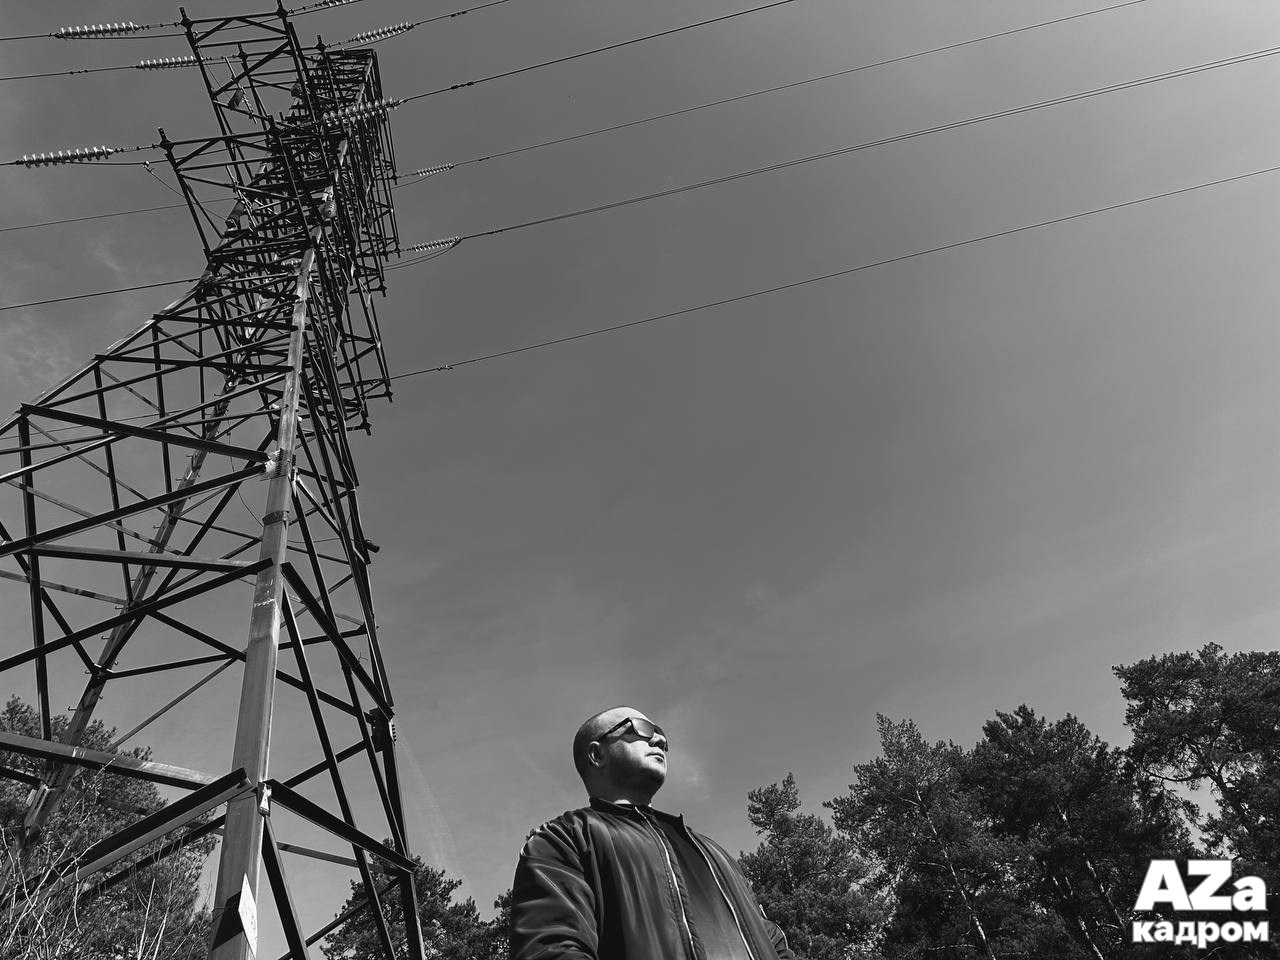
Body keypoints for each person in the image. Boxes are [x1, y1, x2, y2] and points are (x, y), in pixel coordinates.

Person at [509, 705, 795, 960]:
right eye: (641, 729)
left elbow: (774, 944)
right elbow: (550, 949)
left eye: (660, 733)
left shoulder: (717, 855)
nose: (659, 740)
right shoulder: (565, 839)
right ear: (597, 754)